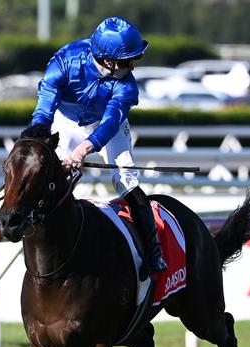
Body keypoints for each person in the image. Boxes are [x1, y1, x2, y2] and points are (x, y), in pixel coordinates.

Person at [21, 16, 167, 274]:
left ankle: (153, 253)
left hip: (106, 125)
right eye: (127, 62)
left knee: (127, 181)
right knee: (54, 181)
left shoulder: (126, 86)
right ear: (108, 60)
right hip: (65, 121)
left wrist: (84, 149)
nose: (131, 68)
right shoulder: (65, 60)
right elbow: (45, 106)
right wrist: (40, 135)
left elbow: (110, 122)